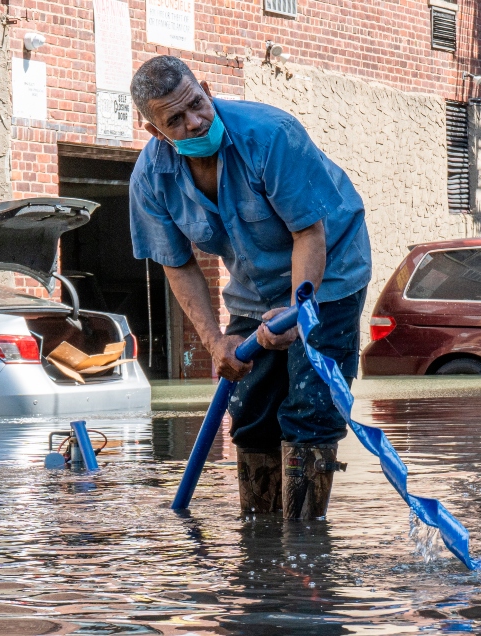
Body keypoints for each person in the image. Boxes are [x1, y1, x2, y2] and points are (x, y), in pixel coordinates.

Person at [128, 55, 371, 520]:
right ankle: (259, 542)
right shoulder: (151, 178)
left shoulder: (272, 134)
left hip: (330, 268)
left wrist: (300, 313)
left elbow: (309, 234)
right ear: (154, 132)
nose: (195, 122)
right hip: (254, 285)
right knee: (252, 411)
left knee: (309, 407)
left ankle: (303, 541)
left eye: (197, 104)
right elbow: (177, 265)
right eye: (175, 120)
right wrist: (215, 342)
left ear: (206, 86)